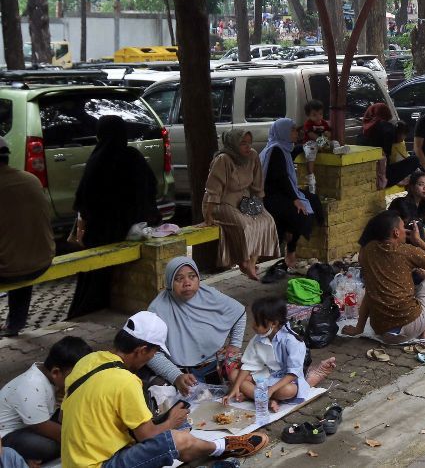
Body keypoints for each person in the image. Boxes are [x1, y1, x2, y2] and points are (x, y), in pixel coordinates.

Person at [60, 312, 269, 467]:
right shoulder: (125, 381)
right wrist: (170, 422)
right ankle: (225, 447)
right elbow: (149, 437)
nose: (152, 358)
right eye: (154, 353)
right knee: (174, 438)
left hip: (75, 460)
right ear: (142, 350)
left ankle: (209, 451)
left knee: (179, 432)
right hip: (100, 464)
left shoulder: (88, 360)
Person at [68, 116, 161, 319]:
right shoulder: (133, 157)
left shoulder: (97, 159)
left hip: (99, 232)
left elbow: (84, 200)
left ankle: (85, 311)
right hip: (129, 228)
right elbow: (151, 188)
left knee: (92, 277)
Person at [346, 211, 425, 342]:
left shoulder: (366, 251)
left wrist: (358, 328)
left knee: (376, 286)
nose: (406, 230)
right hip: (410, 328)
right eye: (403, 227)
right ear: (396, 233)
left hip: (383, 333)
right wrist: (419, 241)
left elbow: (370, 292)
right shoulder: (406, 250)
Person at [145, 257, 246, 396]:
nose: (187, 283)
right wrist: (175, 376)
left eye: (192, 277)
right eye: (179, 279)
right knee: (160, 394)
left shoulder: (210, 295)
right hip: (182, 373)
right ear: (169, 283)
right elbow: (150, 353)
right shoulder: (157, 309)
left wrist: (235, 345)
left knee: (244, 380)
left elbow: (239, 313)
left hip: (215, 364)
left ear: (198, 278)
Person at [224, 296, 332, 412]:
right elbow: (249, 365)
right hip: (267, 375)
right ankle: (265, 400)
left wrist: (271, 390)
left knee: (289, 391)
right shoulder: (259, 338)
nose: (253, 325)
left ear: (273, 324)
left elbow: (293, 373)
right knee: (234, 375)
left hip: (286, 379)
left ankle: (255, 396)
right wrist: (235, 388)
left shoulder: (292, 341)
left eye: (257, 322)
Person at [0, 336, 92, 464]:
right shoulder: (31, 386)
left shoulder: (49, 378)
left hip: (32, 424)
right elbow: (44, 427)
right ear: (56, 372)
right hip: (8, 436)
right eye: (76, 377)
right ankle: (21, 459)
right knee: (54, 445)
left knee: (75, 423)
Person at [203, 129, 279, 280]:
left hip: (244, 201)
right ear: (233, 143)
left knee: (267, 221)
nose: (247, 147)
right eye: (243, 143)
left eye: (249, 143)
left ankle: (251, 262)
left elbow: (257, 185)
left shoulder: (252, 156)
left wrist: (260, 208)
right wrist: (208, 215)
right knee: (246, 226)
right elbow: (214, 189)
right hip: (222, 203)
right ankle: (243, 262)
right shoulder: (223, 159)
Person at [0, 138, 55, 337]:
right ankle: (15, 322)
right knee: (18, 251)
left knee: (13, 258)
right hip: (42, 262)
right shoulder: (31, 179)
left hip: (10, 269)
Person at [261, 119, 322, 270]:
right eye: (293, 130)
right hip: (272, 196)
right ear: (283, 132)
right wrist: (295, 199)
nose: (296, 133)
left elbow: (294, 153)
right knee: (301, 212)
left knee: (313, 200)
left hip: (282, 192)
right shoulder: (275, 150)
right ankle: (290, 248)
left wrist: (306, 146)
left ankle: (290, 238)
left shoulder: (284, 148)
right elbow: (281, 178)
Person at [362, 103, 420, 188]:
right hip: (381, 175)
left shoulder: (364, 129)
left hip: (364, 172)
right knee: (415, 160)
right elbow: (386, 159)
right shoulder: (388, 129)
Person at [301, 100, 331, 193]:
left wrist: (327, 134)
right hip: (310, 143)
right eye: (314, 115)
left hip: (323, 142)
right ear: (308, 115)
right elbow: (311, 135)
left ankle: (338, 149)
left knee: (334, 143)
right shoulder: (308, 124)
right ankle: (311, 176)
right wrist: (321, 142)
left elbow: (329, 132)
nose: (318, 117)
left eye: (320, 114)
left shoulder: (324, 123)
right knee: (310, 153)